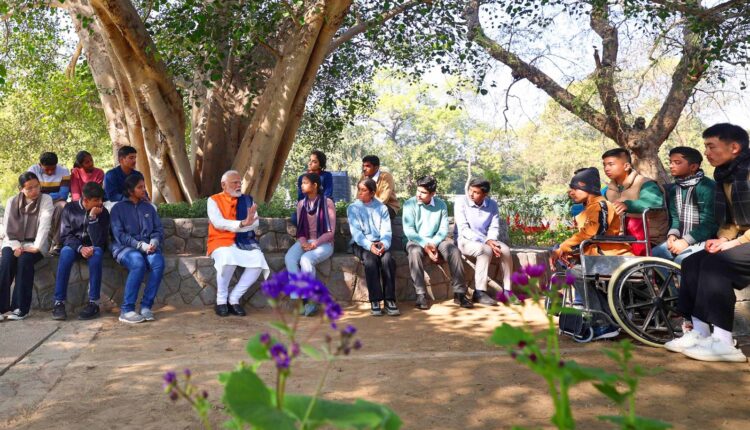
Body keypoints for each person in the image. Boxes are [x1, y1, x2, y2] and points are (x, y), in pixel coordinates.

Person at [664, 123, 750, 363]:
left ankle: (724, 342)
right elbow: (732, 220)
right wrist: (723, 238)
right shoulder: (726, 174)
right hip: (743, 239)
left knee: (717, 266)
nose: (707, 153)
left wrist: (736, 243)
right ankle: (700, 333)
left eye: (712, 147)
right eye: (706, 147)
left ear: (734, 147)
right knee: (693, 262)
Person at [549, 167, 631, 340]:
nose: (570, 192)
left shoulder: (601, 206)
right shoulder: (589, 207)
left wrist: (563, 247)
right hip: (598, 256)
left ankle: (602, 323)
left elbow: (592, 234)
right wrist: (567, 251)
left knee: (576, 272)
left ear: (588, 189)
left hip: (611, 257)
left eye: (575, 188)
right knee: (571, 266)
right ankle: (607, 318)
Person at [403, 175, 472, 310]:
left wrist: (433, 244)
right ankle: (421, 294)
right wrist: (426, 246)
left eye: (423, 192)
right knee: (414, 251)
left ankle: (459, 293)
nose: (419, 195)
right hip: (415, 240)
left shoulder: (441, 205)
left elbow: (443, 230)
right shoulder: (409, 204)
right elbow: (409, 231)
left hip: (437, 240)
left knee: (453, 251)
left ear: (432, 194)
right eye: (418, 191)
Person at [207, 170, 270, 317]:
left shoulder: (248, 200)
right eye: (234, 182)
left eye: (239, 182)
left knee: (258, 261)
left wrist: (245, 225)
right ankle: (221, 301)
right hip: (220, 241)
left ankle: (233, 299)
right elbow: (218, 223)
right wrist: (242, 224)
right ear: (224, 184)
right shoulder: (213, 200)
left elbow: (255, 224)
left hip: (245, 240)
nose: (238, 185)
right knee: (227, 257)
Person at [110, 175, 164, 324]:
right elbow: (119, 235)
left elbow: (158, 229)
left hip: (149, 247)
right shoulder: (118, 209)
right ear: (129, 190)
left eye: (143, 186)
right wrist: (140, 245)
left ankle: (146, 306)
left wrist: (154, 241)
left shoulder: (148, 207)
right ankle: (127, 310)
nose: (143, 190)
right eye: (139, 187)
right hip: (124, 248)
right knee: (138, 263)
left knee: (158, 263)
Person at [52, 182, 109, 321]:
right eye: (96, 200)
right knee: (65, 253)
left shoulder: (103, 212)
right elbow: (65, 235)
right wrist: (80, 248)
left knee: (97, 254)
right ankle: (59, 303)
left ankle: (94, 303)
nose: (100, 203)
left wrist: (93, 218)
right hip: (74, 246)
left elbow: (100, 241)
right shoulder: (70, 209)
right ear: (85, 200)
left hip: (93, 247)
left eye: (101, 199)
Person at [0, 172, 53, 320]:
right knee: (6, 262)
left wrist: (36, 246)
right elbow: (8, 226)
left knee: (24, 261)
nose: (34, 191)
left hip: (35, 242)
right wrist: (17, 246)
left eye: (37, 186)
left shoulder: (46, 200)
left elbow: (45, 225)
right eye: (29, 188)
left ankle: (20, 308)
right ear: (21, 189)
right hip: (12, 242)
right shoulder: (12, 201)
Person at [651, 147, 717, 265]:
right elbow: (676, 218)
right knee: (655, 255)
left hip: (706, 239)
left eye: (677, 162)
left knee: (682, 260)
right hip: (681, 237)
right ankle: (671, 284)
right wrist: (672, 235)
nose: (671, 166)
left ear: (693, 167)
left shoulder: (708, 187)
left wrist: (685, 241)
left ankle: (686, 284)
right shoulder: (674, 189)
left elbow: (710, 223)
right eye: (671, 162)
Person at [454, 178, 512, 306]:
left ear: (485, 195)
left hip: (487, 240)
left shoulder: (492, 205)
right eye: (470, 190)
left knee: (506, 250)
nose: (471, 194)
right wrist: (486, 241)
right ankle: (479, 292)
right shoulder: (461, 202)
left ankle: (507, 291)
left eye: (475, 192)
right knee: (484, 250)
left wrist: (491, 239)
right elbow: (463, 229)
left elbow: (494, 226)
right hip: (465, 241)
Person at [286, 172, 336, 316]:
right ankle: (300, 299)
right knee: (290, 258)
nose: (302, 185)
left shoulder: (327, 203)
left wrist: (315, 244)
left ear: (315, 185)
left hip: (324, 243)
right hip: (306, 241)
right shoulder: (301, 204)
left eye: (305, 183)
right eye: (301, 183)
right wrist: (303, 243)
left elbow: (330, 232)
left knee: (306, 259)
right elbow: (300, 230)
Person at [602, 148, 668, 255]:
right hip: (622, 239)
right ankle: (569, 272)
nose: (606, 168)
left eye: (611, 164)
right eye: (604, 165)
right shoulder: (609, 191)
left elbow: (654, 202)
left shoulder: (645, 183)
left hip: (650, 239)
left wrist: (628, 205)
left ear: (627, 166)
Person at [348, 178, 399, 316]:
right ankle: (375, 300)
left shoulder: (382, 208)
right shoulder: (353, 208)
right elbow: (357, 234)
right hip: (361, 244)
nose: (360, 193)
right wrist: (370, 246)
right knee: (370, 261)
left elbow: (386, 231)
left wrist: (384, 244)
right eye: (359, 189)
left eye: (363, 190)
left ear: (372, 192)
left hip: (380, 242)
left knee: (388, 260)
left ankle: (390, 300)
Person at [28, 152, 70, 254]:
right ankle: (33, 242)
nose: (50, 172)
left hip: (56, 203)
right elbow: (31, 192)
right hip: (37, 202)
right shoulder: (32, 171)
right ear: (40, 165)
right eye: (46, 169)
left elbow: (63, 195)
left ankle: (58, 243)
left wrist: (42, 194)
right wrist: (53, 194)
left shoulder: (64, 171)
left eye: (53, 168)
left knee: (63, 206)